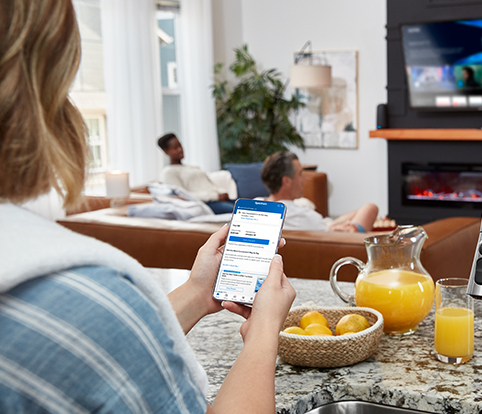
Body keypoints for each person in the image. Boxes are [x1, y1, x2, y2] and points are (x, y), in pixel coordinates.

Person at [0, 1, 296, 413]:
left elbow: (104, 352)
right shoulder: (84, 299)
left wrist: (197, 291)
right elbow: (106, 337)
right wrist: (264, 330)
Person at [261, 151, 379, 232]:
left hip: (323, 227)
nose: (304, 179)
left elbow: (324, 225)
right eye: (300, 174)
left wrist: (331, 225)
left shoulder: (257, 205)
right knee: (370, 208)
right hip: (344, 242)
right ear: (286, 181)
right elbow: (327, 229)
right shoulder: (300, 215)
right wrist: (348, 227)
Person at [158, 133, 235, 214]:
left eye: (180, 145)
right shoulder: (168, 172)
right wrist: (215, 196)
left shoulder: (192, 167)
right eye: (175, 148)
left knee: (247, 205)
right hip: (205, 204)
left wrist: (222, 192)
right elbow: (182, 196)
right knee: (244, 212)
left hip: (220, 199)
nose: (180, 149)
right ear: (166, 151)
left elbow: (210, 185)